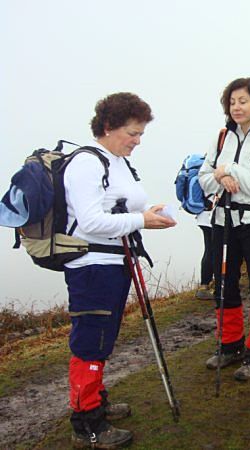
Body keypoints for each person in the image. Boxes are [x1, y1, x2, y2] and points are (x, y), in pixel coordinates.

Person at [64, 92, 176, 448]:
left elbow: (120, 210)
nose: (137, 141)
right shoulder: (87, 163)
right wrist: (142, 220)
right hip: (92, 267)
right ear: (109, 126)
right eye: (132, 133)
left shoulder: (117, 161)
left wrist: (147, 214)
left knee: (103, 337)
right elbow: (91, 221)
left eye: (141, 133)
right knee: (90, 342)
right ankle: (86, 423)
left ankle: (96, 402)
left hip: (115, 262)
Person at [199, 77, 250, 381]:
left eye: (243, 101)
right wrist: (220, 178)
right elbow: (204, 178)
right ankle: (229, 344)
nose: (236, 107)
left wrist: (231, 170)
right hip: (223, 222)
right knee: (224, 284)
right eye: (232, 101)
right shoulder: (222, 138)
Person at [195, 207, 214, 300]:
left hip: (203, 217)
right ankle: (205, 286)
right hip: (212, 217)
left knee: (209, 250)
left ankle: (205, 285)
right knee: (213, 251)